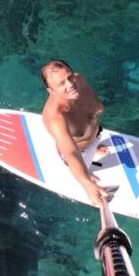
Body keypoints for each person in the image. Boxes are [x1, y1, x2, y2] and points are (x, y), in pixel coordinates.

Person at [41, 60, 112, 207]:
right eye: (62, 84)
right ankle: (87, 168)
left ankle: (95, 150)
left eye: (70, 76)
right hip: (80, 152)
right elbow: (71, 153)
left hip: (95, 133)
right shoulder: (55, 117)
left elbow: (94, 103)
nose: (70, 84)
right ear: (51, 90)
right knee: (83, 170)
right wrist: (87, 183)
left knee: (92, 138)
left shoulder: (79, 79)